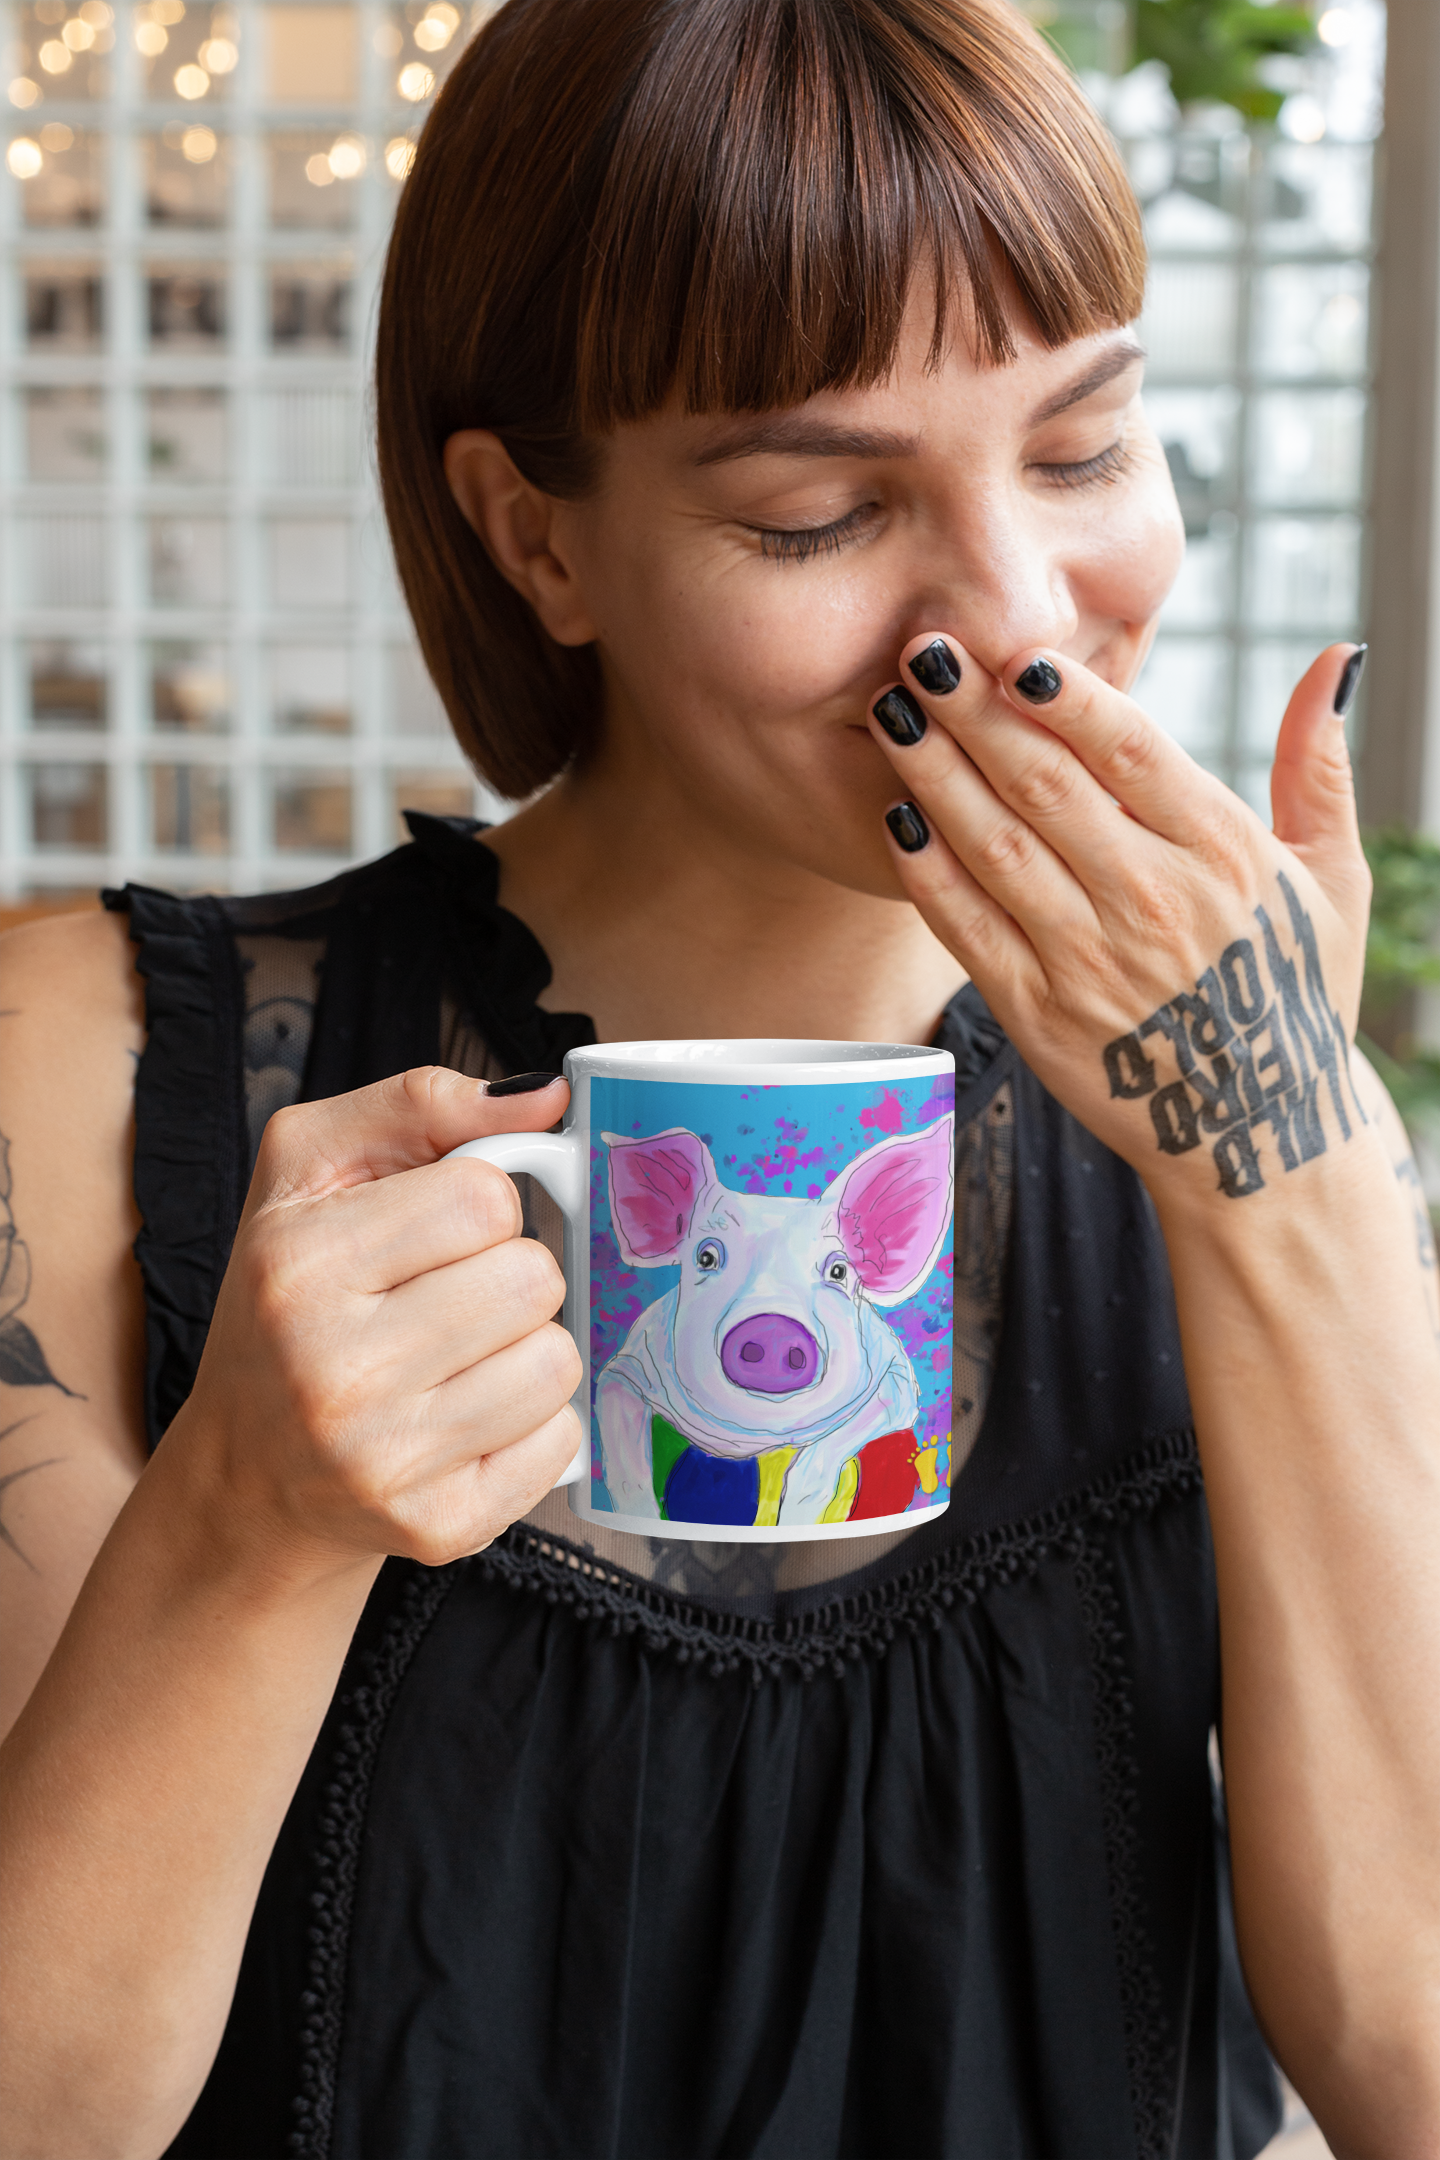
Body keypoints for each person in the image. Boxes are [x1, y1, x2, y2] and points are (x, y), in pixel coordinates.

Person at [1, 0, 1437, 2152]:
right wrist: (248, 1523)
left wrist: (1283, 1161)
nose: (1025, 611)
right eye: (812, 513)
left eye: (1079, 447)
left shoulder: (1255, 1083)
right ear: (538, 539)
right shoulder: (84, 1069)